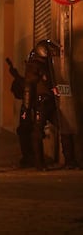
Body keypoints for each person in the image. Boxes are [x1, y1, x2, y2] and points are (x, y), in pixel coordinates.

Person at [22, 39, 78, 171]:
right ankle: (40, 163)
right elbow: (28, 88)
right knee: (38, 132)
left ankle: (69, 160)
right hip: (42, 102)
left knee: (65, 128)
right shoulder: (34, 66)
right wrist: (27, 107)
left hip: (53, 102)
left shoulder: (51, 65)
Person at [5, 55, 34, 168]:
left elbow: (23, 84)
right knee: (24, 131)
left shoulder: (34, 76)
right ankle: (29, 157)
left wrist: (15, 74)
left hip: (30, 108)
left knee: (26, 132)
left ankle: (30, 157)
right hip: (27, 108)